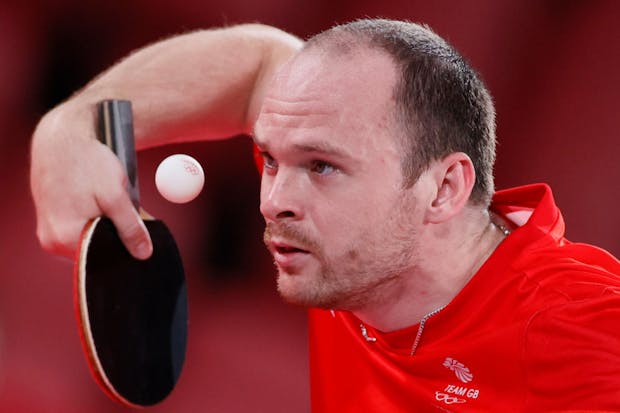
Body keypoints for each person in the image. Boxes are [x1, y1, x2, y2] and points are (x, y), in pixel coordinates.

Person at [30, 19, 620, 412]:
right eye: (271, 161)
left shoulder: (575, 327)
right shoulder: (354, 244)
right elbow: (260, 66)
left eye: (321, 167)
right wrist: (74, 123)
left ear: (443, 189)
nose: (273, 201)